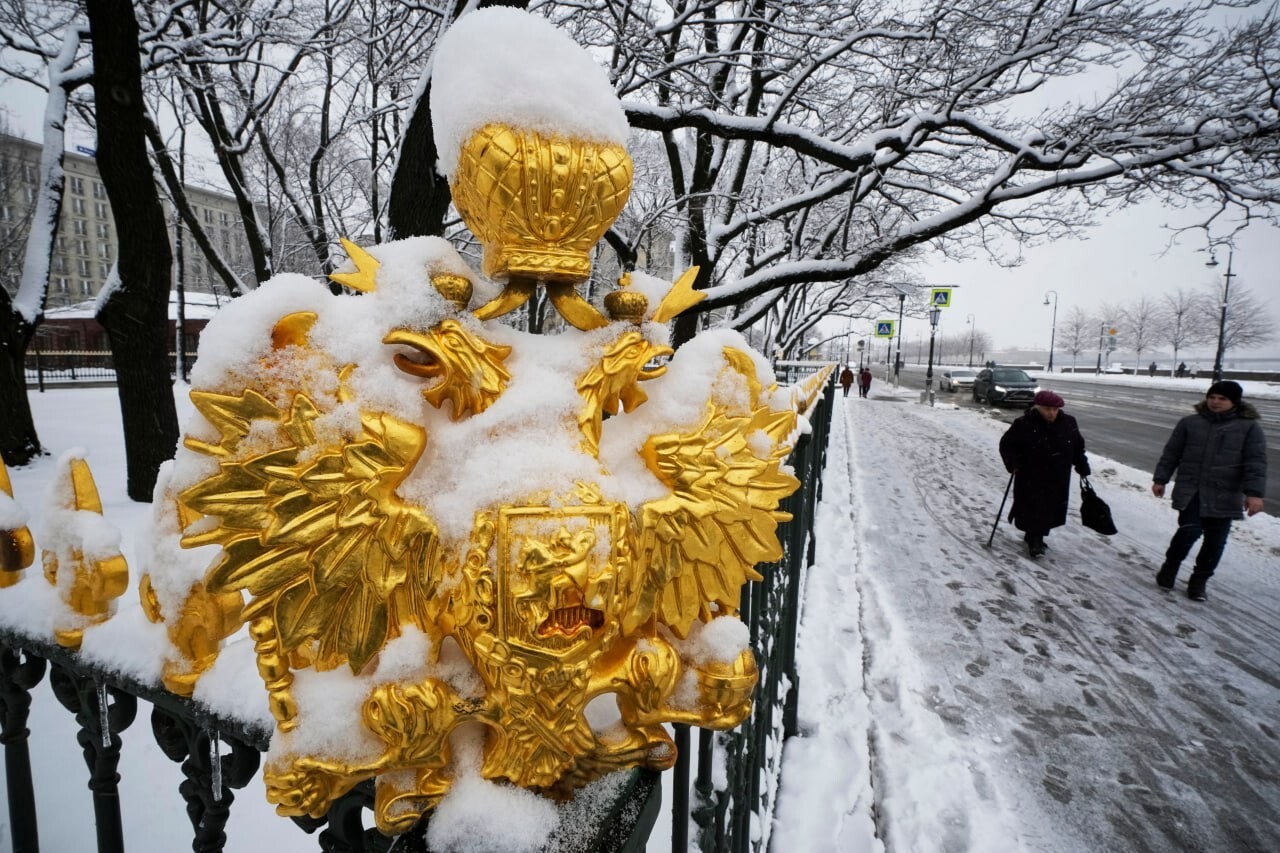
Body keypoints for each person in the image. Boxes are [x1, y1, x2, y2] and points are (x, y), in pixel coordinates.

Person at [1151, 380, 1267, 601]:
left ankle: (1199, 581)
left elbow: (1256, 463)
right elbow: (1171, 453)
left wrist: (1254, 493)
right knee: (1188, 532)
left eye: (1222, 399)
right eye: (1212, 397)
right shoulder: (1189, 423)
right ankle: (1170, 568)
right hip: (1192, 490)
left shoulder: (1249, 427)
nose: (1215, 402)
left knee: (1215, 542)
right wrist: (1160, 479)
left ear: (1235, 401)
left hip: (1226, 493)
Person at [998, 390, 1091, 558]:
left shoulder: (1068, 423)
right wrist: (1012, 463)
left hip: (1058, 476)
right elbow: (1007, 445)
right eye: (1047, 409)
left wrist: (1082, 465)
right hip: (1030, 474)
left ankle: (1034, 534)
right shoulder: (1024, 423)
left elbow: (1077, 446)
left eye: (1055, 409)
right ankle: (1036, 541)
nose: (1052, 413)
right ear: (1038, 407)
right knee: (1033, 507)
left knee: (1049, 508)